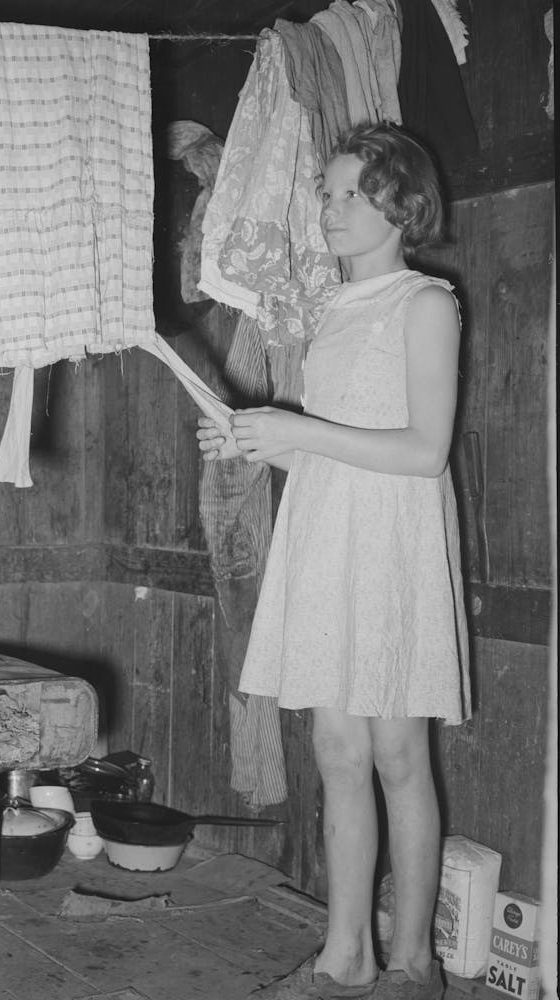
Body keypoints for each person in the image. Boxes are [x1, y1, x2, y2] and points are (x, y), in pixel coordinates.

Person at [197, 122, 471, 1000]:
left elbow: (425, 450)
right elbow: (330, 452)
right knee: (338, 755)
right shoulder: (325, 313)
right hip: (325, 535)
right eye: (327, 193)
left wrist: (296, 428)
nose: (334, 207)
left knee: (397, 755)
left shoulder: (426, 303)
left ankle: (414, 962)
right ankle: (343, 954)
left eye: (353, 192)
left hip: (392, 546)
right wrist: (257, 442)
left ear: (402, 204)